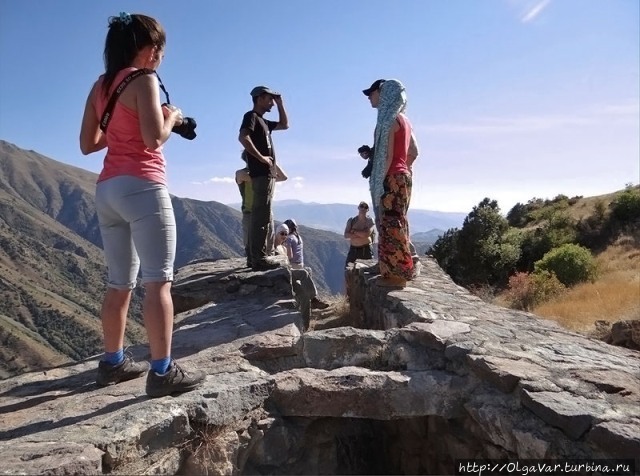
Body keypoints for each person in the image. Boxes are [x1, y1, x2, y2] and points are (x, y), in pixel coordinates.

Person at [79, 12, 205, 397]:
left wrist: (122, 127)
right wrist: (172, 118)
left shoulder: (101, 86)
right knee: (158, 282)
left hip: (107, 189)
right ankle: (163, 372)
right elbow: (153, 140)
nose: (161, 57)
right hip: (143, 187)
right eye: (161, 50)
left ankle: (112, 363)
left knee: (120, 284)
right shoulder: (145, 79)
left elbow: (89, 144)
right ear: (151, 50)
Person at [363, 78, 420, 287]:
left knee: (390, 225)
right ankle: (400, 270)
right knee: (398, 222)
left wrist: (380, 182)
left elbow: (386, 156)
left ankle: (396, 277)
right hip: (403, 176)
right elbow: (412, 152)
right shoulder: (404, 120)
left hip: (391, 177)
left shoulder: (388, 120)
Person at [238, 86, 289, 271]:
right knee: (261, 217)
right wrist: (261, 158)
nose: (271, 103)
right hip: (261, 174)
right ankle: (258, 259)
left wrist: (281, 103)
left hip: (265, 174)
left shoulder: (263, 121)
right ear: (259, 99)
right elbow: (243, 138)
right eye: (269, 99)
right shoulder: (251, 116)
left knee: (262, 216)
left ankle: (254, 258)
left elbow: (285, 124)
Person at [236, 152, 288, 267]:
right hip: (250, 213)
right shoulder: (241, 174)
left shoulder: (264, 175)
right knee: (250, 243)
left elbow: (284, 177)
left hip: (266, 212)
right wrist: (266, 166)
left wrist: (272, 161)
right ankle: (253, 263)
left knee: (268, 243)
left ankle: (266, 264)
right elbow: (258, 178)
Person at [282, 219, 329, 309]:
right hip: (301, 264)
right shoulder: (299, 238)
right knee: (308, 271)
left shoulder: (289, 239)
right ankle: (313, 299)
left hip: (293, 265)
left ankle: (310, 300)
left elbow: (290, 255)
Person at [344, 201, 376, 267]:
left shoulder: (370, 221)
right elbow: (346, 235)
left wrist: (354, 231)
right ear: (358, 207)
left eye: (365, 207)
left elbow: (366, 234)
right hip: (353, 250)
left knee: (367, 269)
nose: (363, 208)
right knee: (348, 269)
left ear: (368, 210)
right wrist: (361, 233)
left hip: (366, 250)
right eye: (361, 206)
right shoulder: (352, 220)